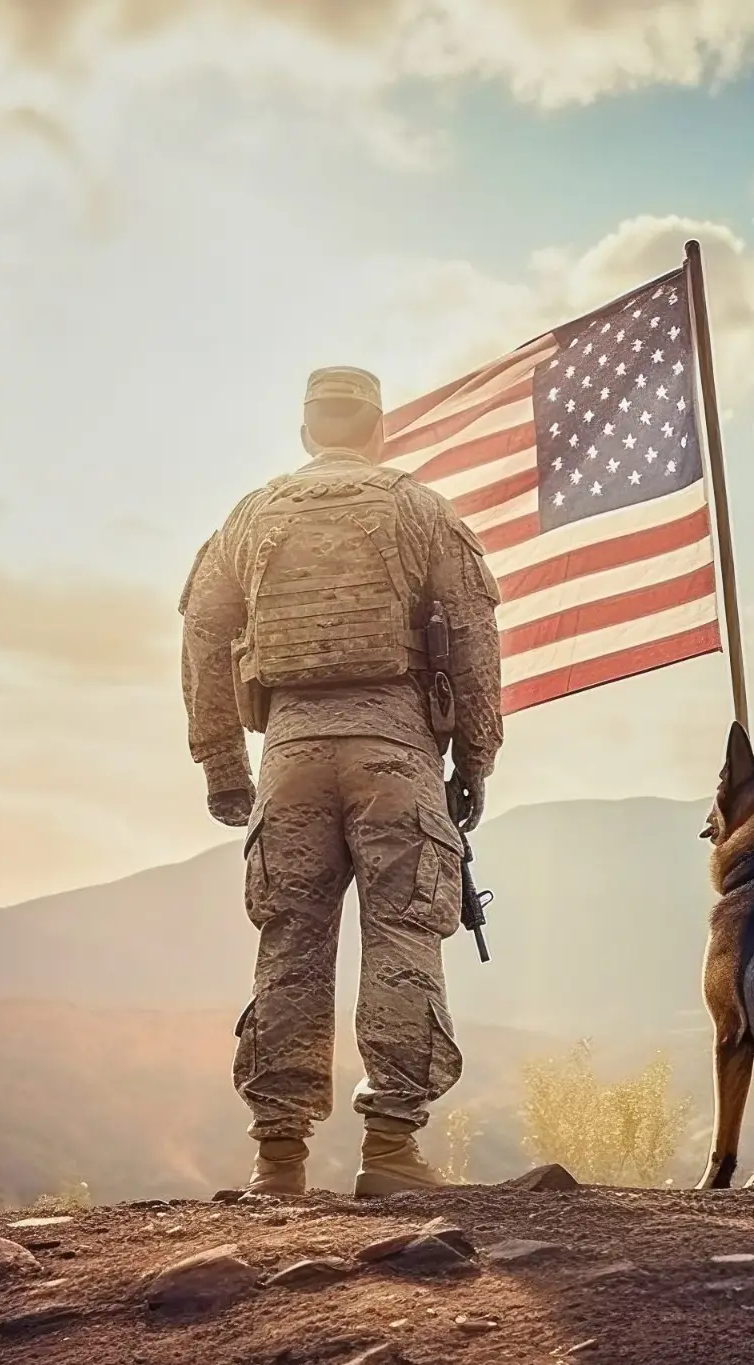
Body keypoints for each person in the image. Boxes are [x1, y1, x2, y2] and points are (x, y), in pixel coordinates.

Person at [177, 365, 503, 1197]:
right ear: (378, 430)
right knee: (402, 935)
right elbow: (472, 638)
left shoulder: (249, 516)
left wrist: (221, 760)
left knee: (289, 941)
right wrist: (475, 758)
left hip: (288, 750)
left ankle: (277, 1160)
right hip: (394, 746)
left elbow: (204, 635)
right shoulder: (419, 508)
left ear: (306, 433)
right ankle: (390, 1151)